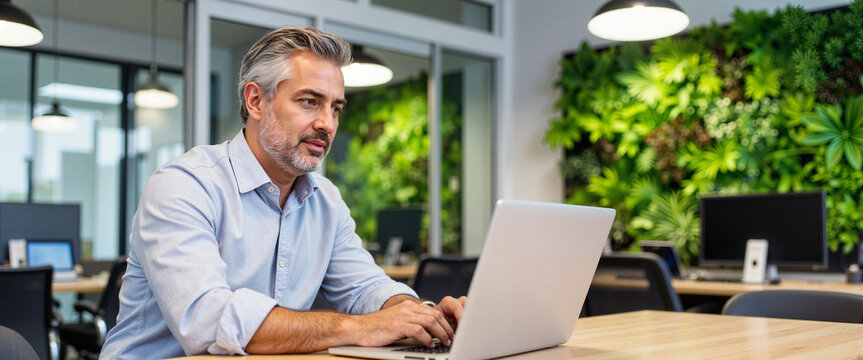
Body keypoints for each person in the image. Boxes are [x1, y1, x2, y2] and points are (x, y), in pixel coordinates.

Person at [100, 26, 465, 359]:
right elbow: (208, 320)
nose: (328, 123)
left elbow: (364, 288)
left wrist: (421, 316)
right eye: (310, 101)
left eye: (335, 107)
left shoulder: (325, 200)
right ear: (256, 101)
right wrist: (360, 327)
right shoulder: (185, 185)